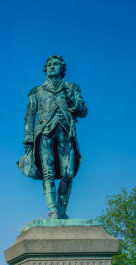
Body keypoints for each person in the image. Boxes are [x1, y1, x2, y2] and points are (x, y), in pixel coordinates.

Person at [19, 55, 87, 219]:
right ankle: (53, 209)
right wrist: (28, 138)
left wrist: (72, 100)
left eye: (56, 64)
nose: (52, 67)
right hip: (44, 133)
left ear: (62, 69)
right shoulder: (36, 91)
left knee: (68, 173)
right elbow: (29, 116)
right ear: (45, 69)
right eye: (49, 64)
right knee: (47, 173)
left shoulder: (72, 88)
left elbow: (83, 111)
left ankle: (62, 210)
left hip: (66, 132)